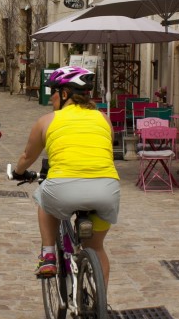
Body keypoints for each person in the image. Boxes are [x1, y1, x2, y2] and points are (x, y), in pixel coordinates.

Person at [11, 66, 120, 284]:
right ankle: (100, 310)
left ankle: (49, 255)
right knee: (97, 248)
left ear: (64, 94)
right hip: (107, 190)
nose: (51, 98)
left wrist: (17, 172)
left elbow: (27, 156)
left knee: (43, 199)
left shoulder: (47, 120)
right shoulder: (104, 119)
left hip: (63, 188)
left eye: (53, 92)